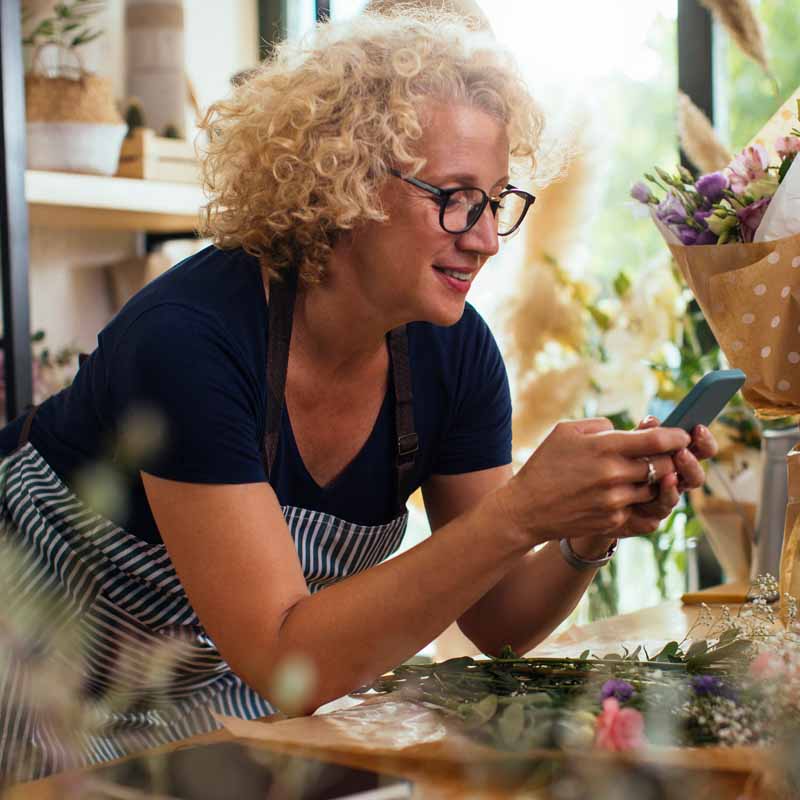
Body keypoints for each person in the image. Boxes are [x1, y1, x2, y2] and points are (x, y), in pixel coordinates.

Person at [0, 9, 716, 781]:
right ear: (343, 184)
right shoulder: (188, 338)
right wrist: (522, 511)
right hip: (34, 686)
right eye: (455, 196)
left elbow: (496, 618)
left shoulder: (455, 352)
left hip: (212, 699)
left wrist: (585, 532)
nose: (483, 237)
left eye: (498, 200)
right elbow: (282, 657)